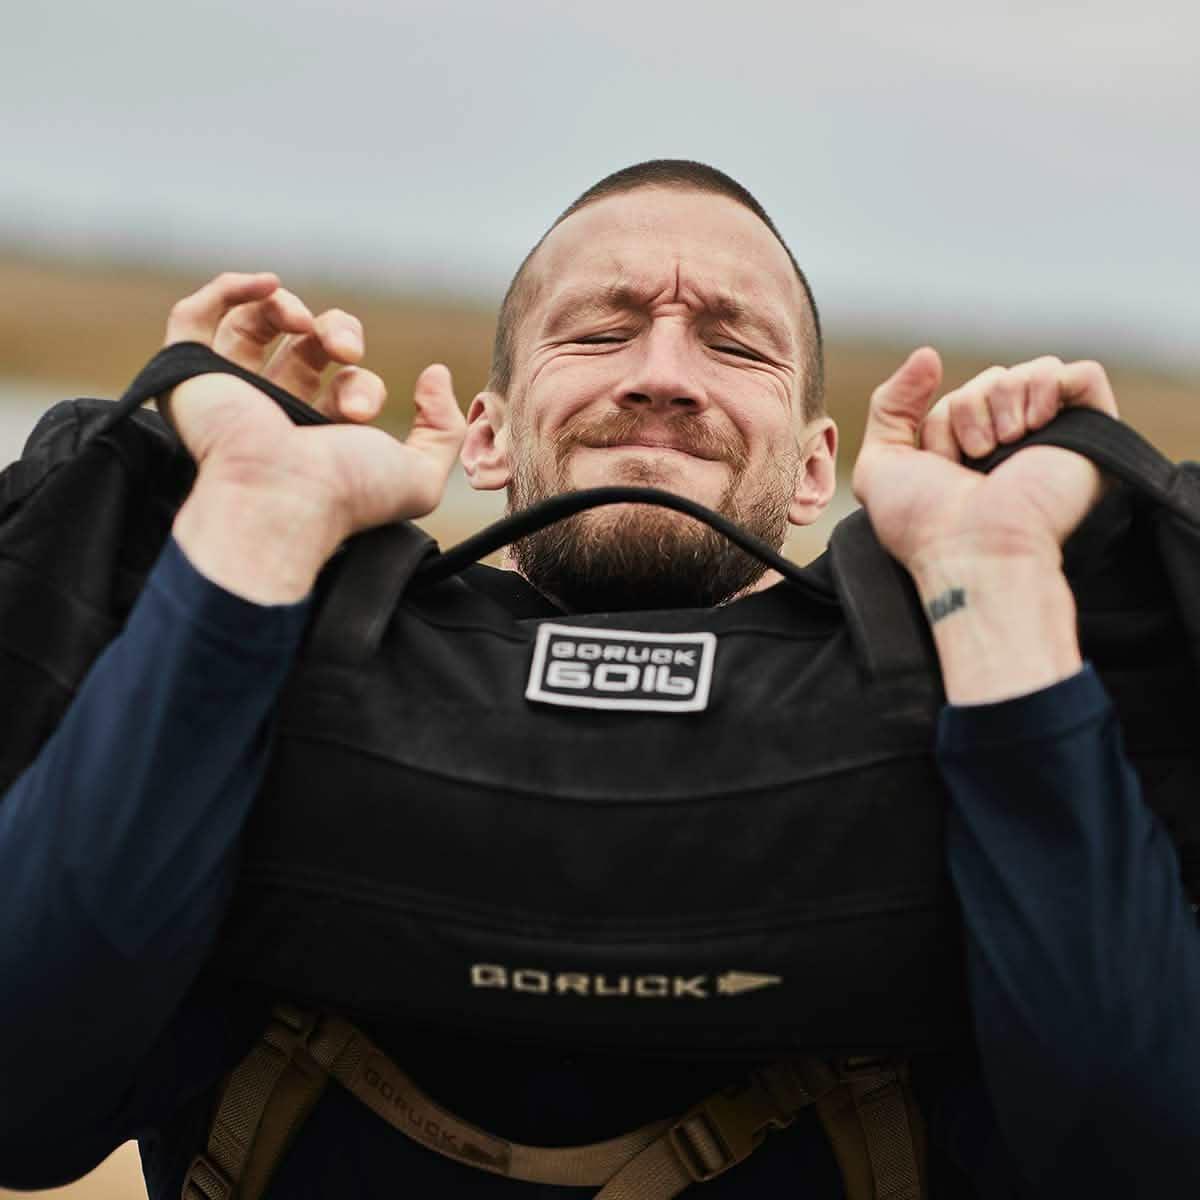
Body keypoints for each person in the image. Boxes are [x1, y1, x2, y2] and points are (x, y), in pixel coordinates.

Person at [1, 160, 1197, 1198]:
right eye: (598, 333)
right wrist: (258, 516)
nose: (664, 373)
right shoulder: (271, 645)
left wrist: (992, 575)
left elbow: (1135, 1162)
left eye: (732, 344)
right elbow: (24, 1093)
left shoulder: (956, 685)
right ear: (485, 436)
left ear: (814, 469)